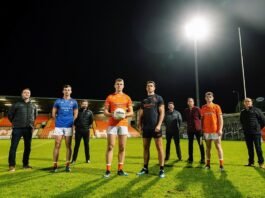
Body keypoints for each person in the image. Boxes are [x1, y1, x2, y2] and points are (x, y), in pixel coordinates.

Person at [103, 78, 133, 178]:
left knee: (122, 147)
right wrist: (112, 114)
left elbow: (131, 112)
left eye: (121, 84)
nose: (119, 85)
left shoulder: (127, 98)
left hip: (123, 124)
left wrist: (124, 115)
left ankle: (120, 170)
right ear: (114, 85)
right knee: (110, 146)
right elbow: (105, 112)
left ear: (123, 86)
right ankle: (108, 170)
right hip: (112, 124)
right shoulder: (110, 97)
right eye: (117, 84)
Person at [137, 81, 165, 178]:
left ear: (154, 88)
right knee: (145, 148)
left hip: (156, 127)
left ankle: (161, 169)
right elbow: (140, 114)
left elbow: (162, 112)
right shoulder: (143, 100)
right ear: (146, 88)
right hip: (146, 128)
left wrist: (159, 125)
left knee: (159, 148)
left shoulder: (158, 98)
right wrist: (139, 125)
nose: (149, 87)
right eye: (148, 86)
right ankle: (145, 168)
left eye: (151, 86)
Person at [7, 88, 37, 172]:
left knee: (28, 147)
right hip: (17, 128)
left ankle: (25, 164)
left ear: (30, 95)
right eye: (25, 92)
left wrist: (31, 125)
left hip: (28, 129)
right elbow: (10, 115)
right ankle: (12, 165)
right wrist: (15, 123)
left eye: (28, 93)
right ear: (22, 94)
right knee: (13, 147)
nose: (26, 94)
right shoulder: (16, 104)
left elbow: (34, 116)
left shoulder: (33, 106)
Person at [52, 85, 78, 172]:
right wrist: (57, 121)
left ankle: (67, 165)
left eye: (68, 90)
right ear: (63, 91)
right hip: (59, 125)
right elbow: (53, 113)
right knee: (57, 144)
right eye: (65, 90)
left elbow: (76, 114)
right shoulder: (58, 101)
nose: (67, 91)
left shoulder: (74, 102)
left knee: (68, 145)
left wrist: (71, 121)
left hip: (69, 126)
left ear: (71, 91)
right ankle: (55, 165)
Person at [201, 92, 224, 171]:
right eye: (207, 97)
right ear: (205, 98)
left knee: (218, 147)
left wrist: (220, 129)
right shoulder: (203, 107)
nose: (208, 98)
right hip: (206, 131)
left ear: (213, 98)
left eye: (210, 97)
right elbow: (202, 119)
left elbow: (220, 119)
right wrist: (202, 130)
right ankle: (208, 165)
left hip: (215, 131)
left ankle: (221, 166)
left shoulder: (216, 106)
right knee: (208, 148)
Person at [240, 98, 265, 168]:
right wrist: (245, 129)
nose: (247, 102)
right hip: (247, 133)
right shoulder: (243, 112)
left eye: (249, 101)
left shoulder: (257, 110)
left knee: (258, 148)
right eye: (246, 101)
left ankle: (261, 163)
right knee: (250, 148)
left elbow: (263, 120)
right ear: (244, 103)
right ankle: (251, 162)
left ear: (251, 102)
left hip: (256, 133)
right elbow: (242, 121)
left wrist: (258, 128)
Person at [71, 99, 94, 164]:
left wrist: (86, 126)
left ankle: (88, 159)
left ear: (87, 105)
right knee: (76, 146)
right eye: (83, 104)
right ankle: (73, 160)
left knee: (86, 145)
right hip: (78, 131)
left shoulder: (90, 112)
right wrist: (77, 126)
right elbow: (74, 121)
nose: (84, 105)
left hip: (86, 131)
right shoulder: (77, 111)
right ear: (81, 104)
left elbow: (91, 121)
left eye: (86, 104)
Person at [184, 98, 205, 164]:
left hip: (198, 130)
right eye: (189, 101)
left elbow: (200, 117)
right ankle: (190, 158)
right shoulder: (186, 110)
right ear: (187, 103)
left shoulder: (197, 109)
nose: (190, 102)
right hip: (190, 130)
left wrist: (200, 127)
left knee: (201, 144)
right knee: (190, 144)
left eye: (191, 101)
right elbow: (186, 119)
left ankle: (203, 159)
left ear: (193, 102)